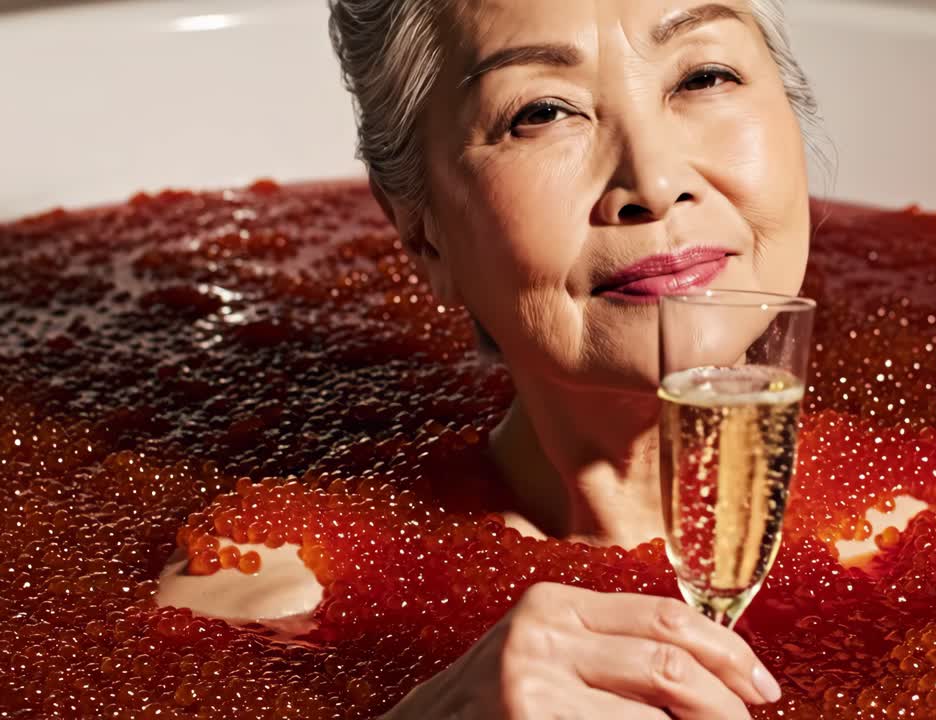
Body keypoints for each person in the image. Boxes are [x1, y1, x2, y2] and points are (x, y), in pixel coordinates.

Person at [327, 0, 817, 716]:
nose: (652, 183)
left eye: (704, 76)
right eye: (544, 113)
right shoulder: (281, 588)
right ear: (421, 231)